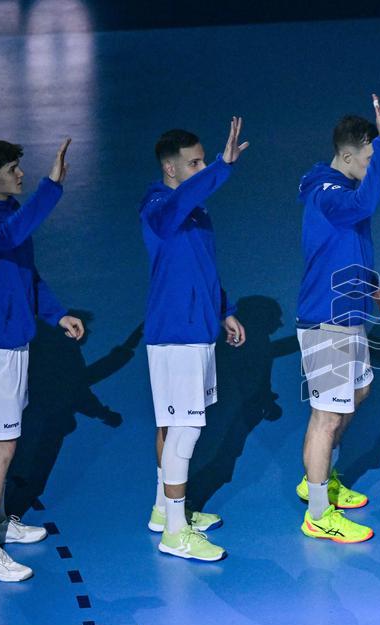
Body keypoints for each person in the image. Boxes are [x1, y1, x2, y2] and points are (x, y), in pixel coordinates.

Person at [140, 119, 248, 561]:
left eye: (204, 162)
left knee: (172, 426)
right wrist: (222, 166)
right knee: (183, 432)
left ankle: (164, 511)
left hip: (196, 329)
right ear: (171, 169)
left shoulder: (198, 212)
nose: (201, 169)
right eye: (195, 163)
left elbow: (203, 266)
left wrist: (224, 309)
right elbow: (180, 202)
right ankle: (175, 533)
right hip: (176, 334)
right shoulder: (158, 206)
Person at [0, 137, 83, 581]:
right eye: (12, 169)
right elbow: (11, 236)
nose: (20, 174)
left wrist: (57, 314)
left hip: (14, 343)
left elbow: (27, 275)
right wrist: (51, 186)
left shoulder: (6, 214)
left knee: (0, 443)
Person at [294, 96, 380, 544]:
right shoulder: (329, 193)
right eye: (369, 160)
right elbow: (363, 205)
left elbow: (346, 249)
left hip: (348, 312)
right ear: (348, 156)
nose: (372, 169)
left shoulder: (340, 191)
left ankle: (318, 478)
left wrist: (372, 287)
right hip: (327, 317)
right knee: (327, 417)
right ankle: (318, 513)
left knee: (359, 392)